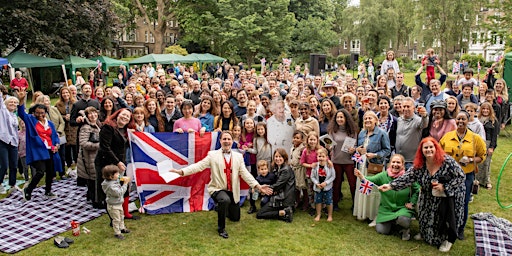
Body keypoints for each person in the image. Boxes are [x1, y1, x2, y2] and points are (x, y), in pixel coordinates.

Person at [171, 131, 272, 239]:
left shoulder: (238, 157)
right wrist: (181, 172)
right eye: (224, 139)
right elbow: (198, 166)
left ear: (232, 141)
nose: (226, 141)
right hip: (217, 188)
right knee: (224, 200)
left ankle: (220, 208)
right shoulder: (212, 155)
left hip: (232, 191)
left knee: (235, 218)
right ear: (220, 141)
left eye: (229, 139)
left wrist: (258, 186)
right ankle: (221, 228)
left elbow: (245, 174)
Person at [379, 137, 466, 252]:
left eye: (431, 147)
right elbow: (407, 177)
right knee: (425, 214)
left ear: (436, 148)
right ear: (421, 150)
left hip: (448, 195)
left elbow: (461, 176)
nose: (429, 150)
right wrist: (390, 186)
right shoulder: (419, 164)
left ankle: (447, 241)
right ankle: (426, 234)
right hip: (428, 194)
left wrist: (444, 187)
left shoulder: (447, 161)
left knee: (445, 219)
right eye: (426, 147)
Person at [439, 111, 486, 240]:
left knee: (463, 202)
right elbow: (439, 153)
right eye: (458, 119)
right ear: (455, 120)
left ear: (468, 120)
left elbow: (482, 156)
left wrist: (471, 160)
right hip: (449, 176)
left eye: (463, 119)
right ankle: (447, 226)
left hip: (467, 175)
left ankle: (460, 228)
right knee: (448, 201)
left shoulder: (475, 138)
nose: (460, 121)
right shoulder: (447, 137)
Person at [355, 154, 420, 240]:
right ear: (389, 164)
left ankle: (404, 229)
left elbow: (417, 189)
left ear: (403, 165)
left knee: (404, 220)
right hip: (386, 209)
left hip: (402, 208)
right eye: (393, 162)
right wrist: (361, 176)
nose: (395, 164)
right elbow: (370, 180)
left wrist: (412, 202)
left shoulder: (407, 177)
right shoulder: (383, 175)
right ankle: (393, 223)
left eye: (398, 162)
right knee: (382, 231)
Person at [94, 108, 139, 224]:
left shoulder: (126, 130)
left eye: (127, 117)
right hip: (107, 164)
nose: (125, 118)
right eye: (123, 115)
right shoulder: (108, 127)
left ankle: (125, 213)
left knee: (123, 186)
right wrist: (117, 162)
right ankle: (113, 219)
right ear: (117, 115)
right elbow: (105, 148)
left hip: (120, 163)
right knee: (110, 190)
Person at [17, 90, 62, 200]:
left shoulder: (49, 123)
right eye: (38, 113)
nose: (40, 115)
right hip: (38, 150)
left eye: (42, 113)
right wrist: (22, 99)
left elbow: (55, 136)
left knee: (51, 171)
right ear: (34, 112)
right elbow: (21, 113)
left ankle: (48, 191)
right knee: (41, 171)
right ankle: (29, 189)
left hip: (50, 150)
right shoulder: (31, 120)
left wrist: (56, 145)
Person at [353, 111, 391, 223]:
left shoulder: (382, 133)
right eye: (365, 118)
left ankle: (373, 215)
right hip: (362, 165)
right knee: (363, 189)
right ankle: (363, 213)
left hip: (374, 166)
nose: (367, 120)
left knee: (373, 190)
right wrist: (358, 150)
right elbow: (358, 148)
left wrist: (375, 154)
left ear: (376, 120)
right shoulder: (362, 133)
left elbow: (387, 150)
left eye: (370, 118)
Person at [328, 109, 359, 210]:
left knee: (352, 183)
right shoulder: (333, 131)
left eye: (341, 117)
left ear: (346, 118)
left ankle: (355, 203)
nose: (339, 119)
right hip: (336, 160)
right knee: (336, 183)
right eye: (338, 117)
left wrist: (353, 150)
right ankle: (335, 203)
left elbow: (355, 145)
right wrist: (329, 147)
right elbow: (330, 144)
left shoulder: (352, 131)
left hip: (349, 161)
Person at [256, 148, 296, 222]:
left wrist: (263, 189)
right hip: (280, 195)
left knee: (260, 214)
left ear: (284, 158)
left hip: (283, 199)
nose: (278, 159)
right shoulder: (278, 167)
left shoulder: (286, 170)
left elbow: (278, 185)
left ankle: (284, 212)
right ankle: (285, 211)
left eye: (280, 157)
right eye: (276, 156)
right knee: (263, 206)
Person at [77, 107, 101, 203]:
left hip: (94, 156)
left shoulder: (96, 125)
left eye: (95, 113)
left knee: (93, 179)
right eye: (90, 114)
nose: (93, 115)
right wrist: (99, 146)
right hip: (89, 156)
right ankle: (95, 201)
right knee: (93, 178)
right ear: (87, 116)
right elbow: (83, 143)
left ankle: (91, 197)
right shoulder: (86, 127)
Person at [101, 165, 131, 240]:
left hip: (118, 204)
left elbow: (119, 178)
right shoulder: (111, 186)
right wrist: (125, 184)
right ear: (111, 176)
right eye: (117, 174)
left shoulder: (112, 180)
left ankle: (122, 228)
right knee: (116, 219)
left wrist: (122, 171)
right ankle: (117, 232)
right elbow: (119, 193)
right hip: (113, 206)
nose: (118, 175)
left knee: (121, 216)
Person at [476, 102, 499, 190]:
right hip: (479, 142)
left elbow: (494, 136)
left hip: (488, 143)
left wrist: (492, 147)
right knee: (478, 163)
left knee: (486, 163)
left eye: (487, 109)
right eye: (484, 109)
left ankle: (486, 181)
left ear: (490, 110)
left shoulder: (493, 120)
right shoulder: (478, 119)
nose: (485, 111)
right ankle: (477, 180)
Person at [0, 90, 19, 194]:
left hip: (13, 142)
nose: (12, 104)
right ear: (6, 104)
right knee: (4, 164)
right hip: (3, 140)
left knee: (14, 165)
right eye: (10, 102)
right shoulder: (3, 112)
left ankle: (12, 184)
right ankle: (0, 183)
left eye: (14, 103)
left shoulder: (14, 116)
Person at [311, 148, 336, 222]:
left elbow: (333, 176)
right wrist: (316, 183)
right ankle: (318, 214)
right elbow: (312, 176)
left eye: (323, 156)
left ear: (326, 157)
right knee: (318, 201)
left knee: (329, 201)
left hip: (327, 188)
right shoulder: (315, 166)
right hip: (318, 187)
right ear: (317, 157)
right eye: (319, 156)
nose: (321, 158)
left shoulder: (329, 166)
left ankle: (330, 215)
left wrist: (326, 183)